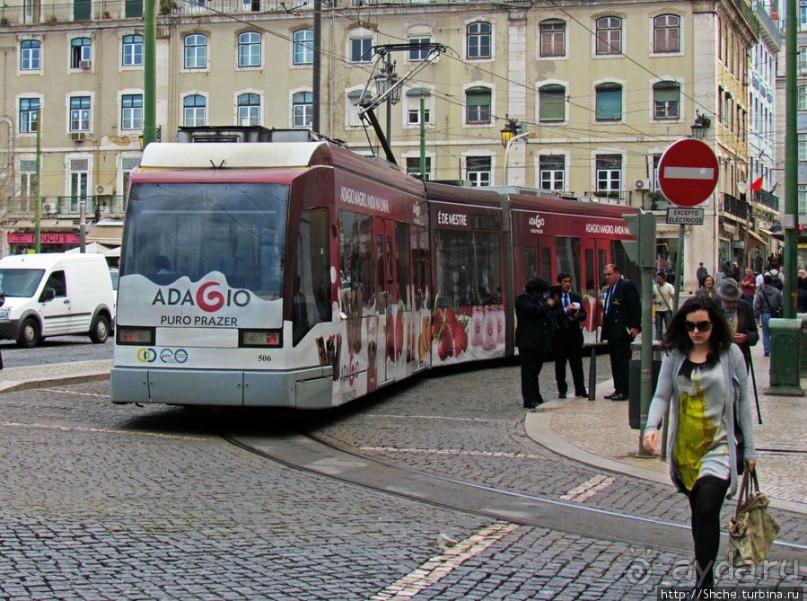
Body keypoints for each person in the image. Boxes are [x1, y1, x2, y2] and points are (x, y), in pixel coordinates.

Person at [642, 296, 756, 594]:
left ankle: (705, 586)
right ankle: (703, 575)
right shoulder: (675, 355)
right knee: (699, 514)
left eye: (703, 325)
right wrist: (651, 427)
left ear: (714, 324)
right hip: (686, 450)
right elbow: (661, 396)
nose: (696, 332)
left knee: (707, 508)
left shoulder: (731, 354)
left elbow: (744, 404)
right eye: (691, 326)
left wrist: (751, 451)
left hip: (719, 447)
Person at [515, 277, 557, 409]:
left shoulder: (538, 300)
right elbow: (536, 311)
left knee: (535, 371)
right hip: (527, 341)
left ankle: (536, 395)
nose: (541, 296)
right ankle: (528, 398)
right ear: (534, 291)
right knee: (528, 372)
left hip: (538, 341)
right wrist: (549, 304)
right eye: (539, 293)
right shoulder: (523, 299)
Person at [601, 264, 641, 401]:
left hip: (623, 330)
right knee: (615, 361)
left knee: (623, 361)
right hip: (612, 331)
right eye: (605, 275)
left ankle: (625, 390)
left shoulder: (625, 285)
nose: (607, 277)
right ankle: (618, 388)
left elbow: (635, 306)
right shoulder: (610, 289)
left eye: (609, 274)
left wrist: (635, 326)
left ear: (617, 273)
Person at [553, 273, 587, 399]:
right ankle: (562, 390)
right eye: (565, 281)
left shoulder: (575, 297)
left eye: (569, 281)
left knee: (577, 364)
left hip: (574, 335)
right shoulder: (554, 298)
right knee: (560, 365)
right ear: (559, 283)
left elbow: (584, 314)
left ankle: (580, 389)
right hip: (560, 336)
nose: (567, 284)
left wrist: (577, 317)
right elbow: (552, 314)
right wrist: (565, 310)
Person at [714, 277, 759, 369]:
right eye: (727, 300)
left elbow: (754, 334)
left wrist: (747, 337)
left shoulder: (745, 307)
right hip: (716, 356)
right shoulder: (712, 307)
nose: (730, 303)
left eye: (733, 300)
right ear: (721, 297)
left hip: (739, 355)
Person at [753, 274, 784, 357]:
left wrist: (756, 316)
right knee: (774, 333)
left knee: (765, 333)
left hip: (765, 314)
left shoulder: (760, 293)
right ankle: (775, 349)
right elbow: (782, 304)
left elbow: (757, 305)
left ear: (764, 282)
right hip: (775, 314)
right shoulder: (777, 292)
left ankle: (767, 350)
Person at [652, 271, 675, 341]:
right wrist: (654, 301)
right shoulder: (655, 287)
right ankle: (658, 341)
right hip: (658, 310)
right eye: (657, 279)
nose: (658, 280)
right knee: (658, 328)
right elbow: (652, 297)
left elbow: (673, 296)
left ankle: (669, 340)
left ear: (664, 279)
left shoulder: (669, 286)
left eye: (660, 278)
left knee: (669, 326)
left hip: (667, 309)